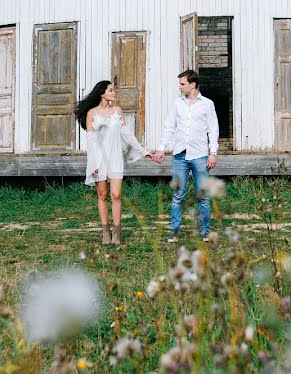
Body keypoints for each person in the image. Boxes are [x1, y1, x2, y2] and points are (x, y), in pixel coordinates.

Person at [75, 80, 155, 245]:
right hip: (98, 159)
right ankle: (105, 232)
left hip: (115, 157)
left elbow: (127, 135)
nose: (114, 93)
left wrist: (144, 151)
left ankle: (117, 233)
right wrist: (93, 164)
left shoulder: (117, 111)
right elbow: (91, 142)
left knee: (116, 195)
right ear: (102, 93)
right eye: (111, 90)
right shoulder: (92, 113)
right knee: (102, 195)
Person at [153, 69, 220, 243]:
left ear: (193, 84)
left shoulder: (207, 104)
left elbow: (213, 130)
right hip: (180, 156)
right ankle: (175, 231)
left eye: (182, 84)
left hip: (200, 156)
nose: (180, 87)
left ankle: (205, 231)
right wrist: (161, 148)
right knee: (178, 195)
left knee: (203, 195)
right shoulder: (177, 104)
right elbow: (169, 127)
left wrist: (213, 153)